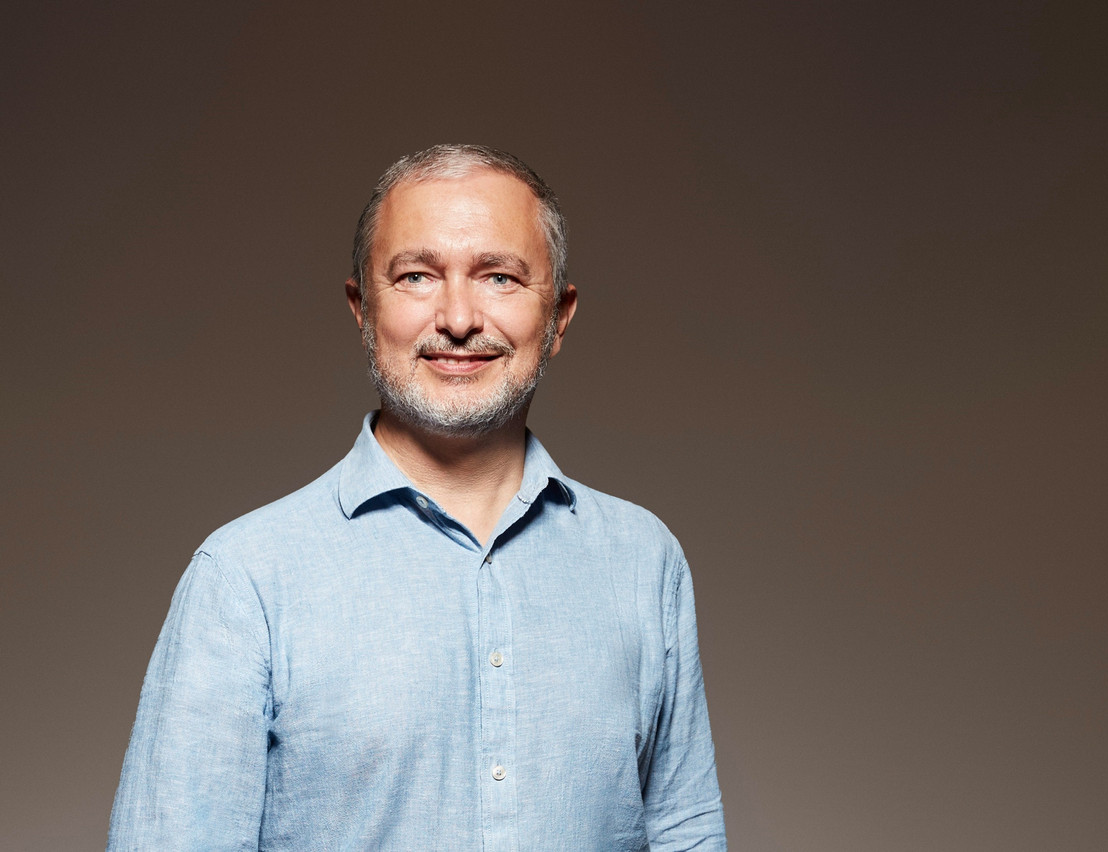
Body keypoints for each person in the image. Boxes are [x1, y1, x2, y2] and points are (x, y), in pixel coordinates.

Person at [108, 145, 726, 850]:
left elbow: (684, 831)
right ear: (361, 308)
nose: (458, 318)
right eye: (415, 277)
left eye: (499, 277)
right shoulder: (247, 578)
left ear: (558, 316)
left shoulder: (642, 562)